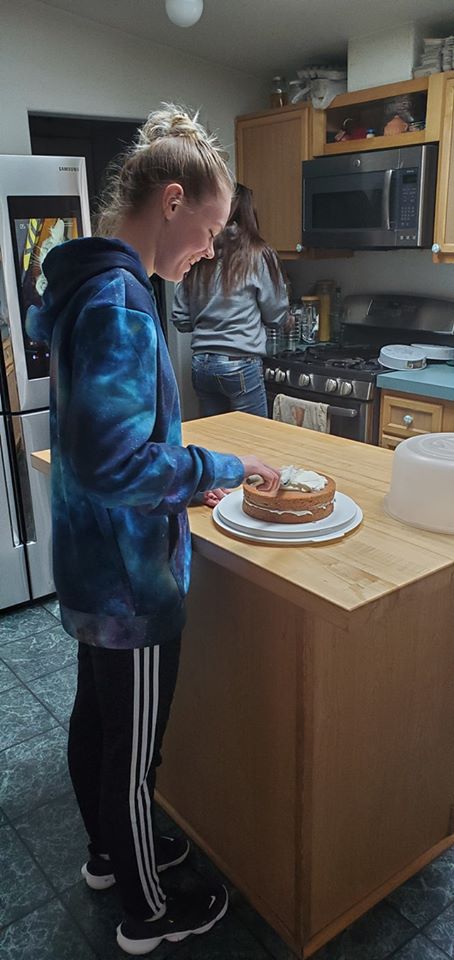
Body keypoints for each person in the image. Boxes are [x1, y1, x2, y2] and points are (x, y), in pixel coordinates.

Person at [26, 105, 280, 956]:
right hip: (131, 581)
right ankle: (148, 911)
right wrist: (213, 468)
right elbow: (119, 465)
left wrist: (178, 484)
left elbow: (108, 447)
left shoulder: (86, 284)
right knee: (134, 756)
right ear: (172, 202)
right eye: (208, 230)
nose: (208, 250)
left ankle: (110, 855)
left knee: (98, 723)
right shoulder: (124, 304)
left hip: (91, 561)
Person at [171, 183, 289, 417]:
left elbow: (181, 319)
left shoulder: (200, 253)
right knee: (251, 437)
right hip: (240, 364)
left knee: (215, 437)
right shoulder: (258, 254)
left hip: (202, 365)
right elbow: (276, 316)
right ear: (249, 213)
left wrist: (209, 316)